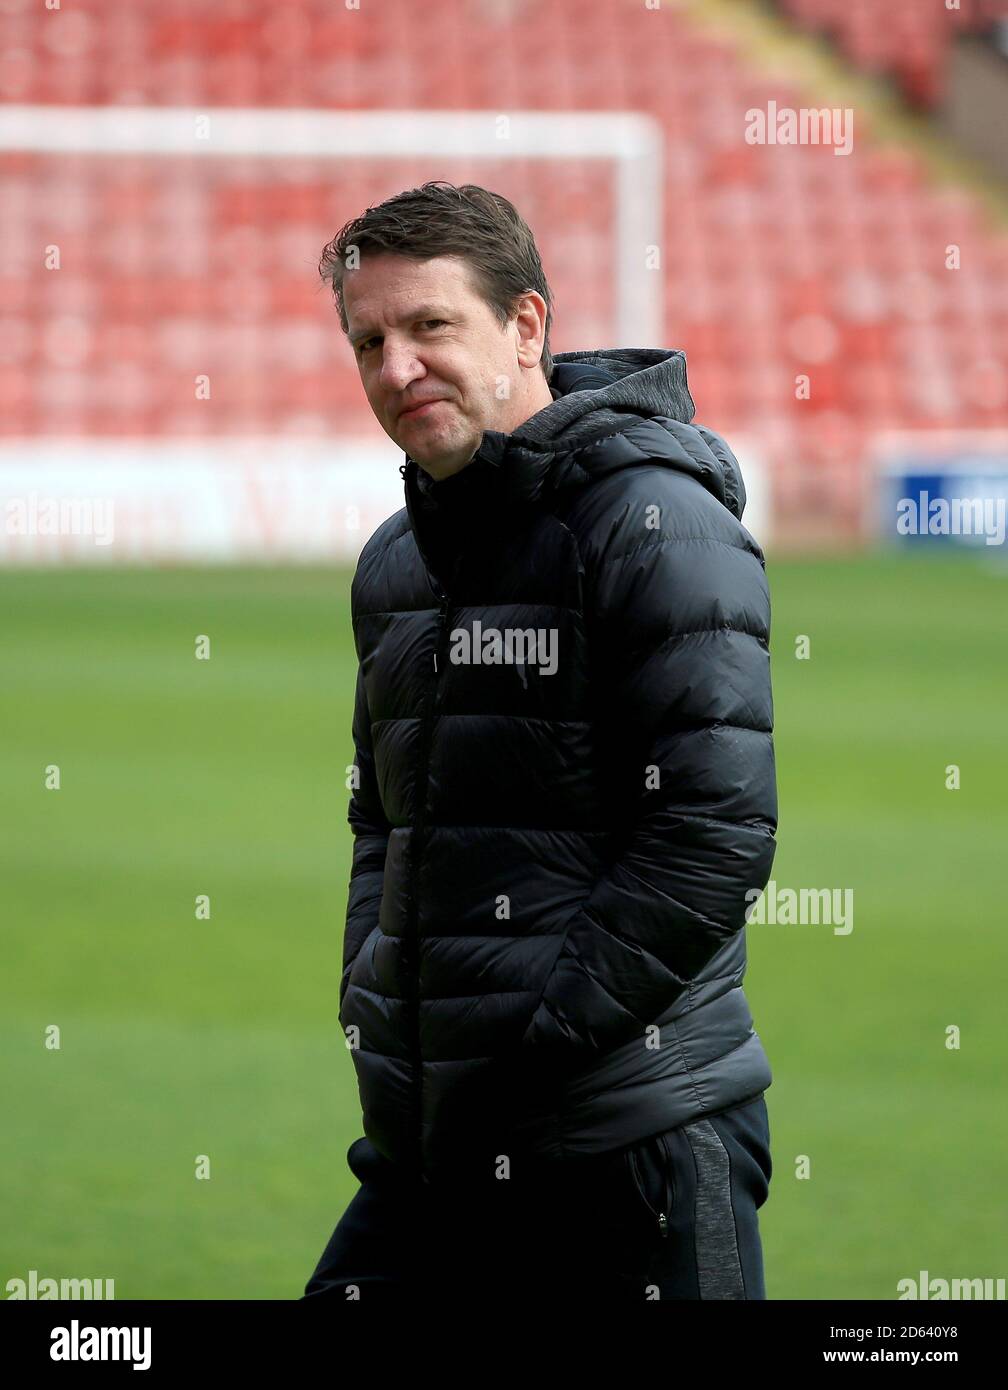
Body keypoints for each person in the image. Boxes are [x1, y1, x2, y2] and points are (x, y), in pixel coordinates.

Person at [302, 181, 778, 1303]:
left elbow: (712, 829)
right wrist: (376, 984)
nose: (396, 367)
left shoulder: (655, 525)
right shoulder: (396, 562)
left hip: (627, 1140)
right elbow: (385, 816)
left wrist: (540, 1030)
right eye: (370, 339)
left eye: (430, 326)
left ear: (525, 326)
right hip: (433, 1140)